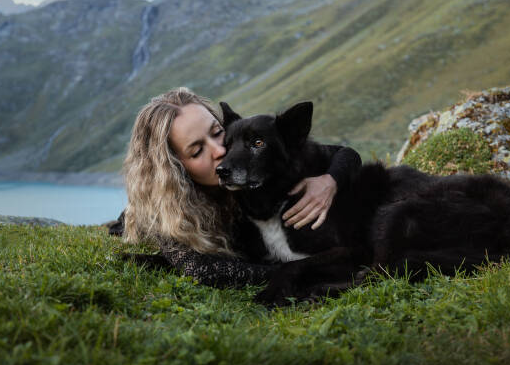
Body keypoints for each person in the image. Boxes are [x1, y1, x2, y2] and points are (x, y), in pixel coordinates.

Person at [116, 87, 361, 288]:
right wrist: (299, 269)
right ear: (174, 168)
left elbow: (344, 153)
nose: (220, 151)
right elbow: (203, 271)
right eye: (198, 150)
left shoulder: (244, 164)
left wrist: (329, 181)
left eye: (217, 132)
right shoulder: (169, 210)